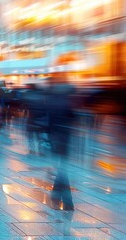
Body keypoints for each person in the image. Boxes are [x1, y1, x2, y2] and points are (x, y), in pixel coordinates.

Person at [46, 75, 76, 211]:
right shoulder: (68, 101)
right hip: (65, 137)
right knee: (62, 168)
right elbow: (73, 117)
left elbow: (49, 121)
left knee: (61, 168)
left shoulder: (52, 99)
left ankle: (60, 197)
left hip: (56, 137)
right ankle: (63, 199)